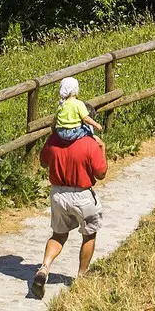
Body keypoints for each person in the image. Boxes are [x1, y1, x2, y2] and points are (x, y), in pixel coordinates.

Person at [31, 121, 108, 298]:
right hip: (82, 194)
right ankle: (82, 275)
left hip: (58, 193)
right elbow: (101, 173)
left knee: (58, 235)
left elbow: (43, 162)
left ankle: (44, 268)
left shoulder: (53, 140)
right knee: (89, 234)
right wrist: (102, 148)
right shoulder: (89, 143)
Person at [50, 75, 101, 143]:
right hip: (73, 132)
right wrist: (96, 125)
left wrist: (53, 129)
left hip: (61, 133)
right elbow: (85, 118)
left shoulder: (61, 105)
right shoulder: (78, 104)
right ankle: (92, 142)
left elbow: (55, 119)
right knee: (89, 129)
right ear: (75, 90)